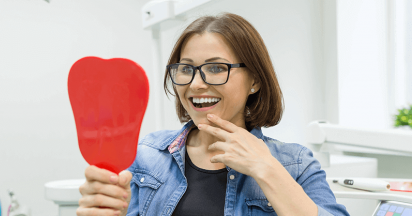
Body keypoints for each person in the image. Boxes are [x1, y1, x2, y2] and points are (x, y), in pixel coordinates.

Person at [77, 13, 349, 216]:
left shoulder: (295, 165)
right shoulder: (146, 157)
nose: (195, 84)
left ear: (254, 80)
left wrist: (265, 168)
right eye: (186, 69)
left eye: (217, 68)